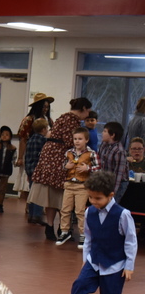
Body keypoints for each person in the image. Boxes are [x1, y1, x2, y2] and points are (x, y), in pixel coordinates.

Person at [58, 171, 137, 294]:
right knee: (79, 286)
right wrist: (86, 258)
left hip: (115, 263)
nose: (93, 201)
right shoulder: (89, 212)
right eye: (90, 198)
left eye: (98, 198)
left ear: (110, 195)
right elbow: (88, 237)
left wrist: (129, 265)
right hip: (93, 261)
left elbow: (130, 241)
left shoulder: (123, 214)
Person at [29, 97, 92, 240]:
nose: (88, 114)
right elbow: (72, 142)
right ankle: (63, 228)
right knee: (63, 195)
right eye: (87, 111)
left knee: (52, 195)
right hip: (59, 157)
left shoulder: (63, 117)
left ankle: (51, 226)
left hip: (50, 155)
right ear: (82, 109)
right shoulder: (72, 120)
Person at [55, 127, 99, 248]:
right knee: (65, 209)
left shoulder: (91, 154)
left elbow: (98, 169)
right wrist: (66, 166)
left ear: (86, 140)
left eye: (80, 139)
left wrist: (88, 168)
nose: (77, 141)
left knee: (80, 211)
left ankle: (83, 234)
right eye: (75, 139)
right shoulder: (69, 152)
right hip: (69, 184)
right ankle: (64, 231)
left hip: (82, 186)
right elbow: (62, 167)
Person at [16, 93, 54, 221]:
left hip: (39, 156)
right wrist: (20, 157)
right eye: (43, 106)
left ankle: (35, 212)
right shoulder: (29, 119)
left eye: (47, 107)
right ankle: (34, 212)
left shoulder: (48, 119)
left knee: (34, 186)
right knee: (34, 187)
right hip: (33, 156)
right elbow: (22, 138)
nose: (46, 109)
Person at [22, 118, 50, 224]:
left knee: (32, 193)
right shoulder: (43, 141)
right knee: (39, 194)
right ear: (43, 129)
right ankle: (37, 215)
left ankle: (31, 214)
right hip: (39, 171)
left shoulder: (30, 139)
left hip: (30, 170)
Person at [98, 121, 128, 201]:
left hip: (118, 182)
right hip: (106, 180)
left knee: (110, 205)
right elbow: (99, 163)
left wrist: (113, 192)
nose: (102, 133)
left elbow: (118, 174)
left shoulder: (119, 151)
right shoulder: (103, 145)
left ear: (112, 135)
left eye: (105, 131)